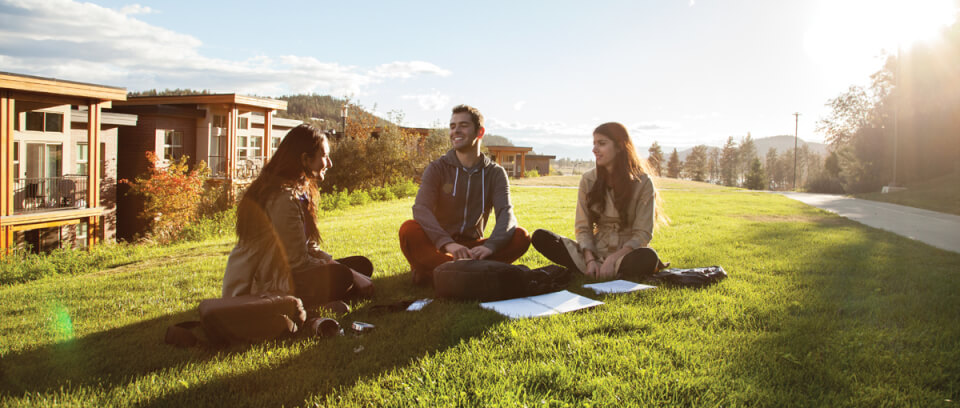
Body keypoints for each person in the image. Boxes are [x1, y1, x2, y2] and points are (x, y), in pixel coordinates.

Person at [222, 124, 373, 308]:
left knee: (361, 266)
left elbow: (307, 245)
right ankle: (312, 306)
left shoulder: (297, 190)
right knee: (344, 276)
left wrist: (347, 270)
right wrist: (347, 273)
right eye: (324, 156)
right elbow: (297, 263)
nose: (330, 163)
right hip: (264, 285)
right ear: (305, 159)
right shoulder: (282, 198)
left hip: (282, 274)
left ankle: (332, 294)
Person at [399, 104, 531, 285]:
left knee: (520, 236)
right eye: (452, 126)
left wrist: (490, 247)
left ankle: (437, 273)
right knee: (408, 230)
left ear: (480, 132)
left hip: (473, 249)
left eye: (463, 125)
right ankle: (470, 272)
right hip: (441, 248)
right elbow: (421, 209)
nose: (456, 131)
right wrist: (447, 244)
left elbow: (506, 214)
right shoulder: (437, 168)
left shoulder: (495, 173)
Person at [531, 122, 669, 280]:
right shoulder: (588, 179)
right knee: (540, 237)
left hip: (626, 254)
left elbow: (643, 234)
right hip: (593, 252)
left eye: (601, 144)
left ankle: (611, 269)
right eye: (594, 143)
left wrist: (613, 259)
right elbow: (583, 228)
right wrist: (590, 260)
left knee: (647, 256)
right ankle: (594, 269)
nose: (594, 149)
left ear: (620, 147)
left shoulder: (643, 182)